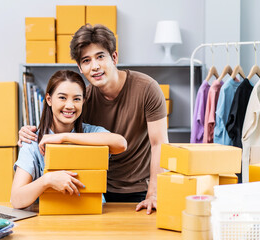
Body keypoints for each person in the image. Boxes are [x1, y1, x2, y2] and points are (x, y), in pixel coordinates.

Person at [18, 24, 168, 214]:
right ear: (80, 67)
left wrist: (153, 194)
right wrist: (29, 134)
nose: (95, 66)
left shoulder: (147, 89)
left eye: (100, 57)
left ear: (114, 57)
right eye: (86, 60)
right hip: (96, 187)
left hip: (140, 189)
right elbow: (64, 128)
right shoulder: (82, 100)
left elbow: (159, 145)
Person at [11, 70, 127, 209]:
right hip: (51, 219)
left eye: (77, 99)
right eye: (62, 97)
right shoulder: (33, 140)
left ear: (83, 101)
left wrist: (64, 137)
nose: (70, 106)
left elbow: (121, 143)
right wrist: (47, 180)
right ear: (48, 99)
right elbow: (16, 200)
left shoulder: (92, 133)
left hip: (93, 216)